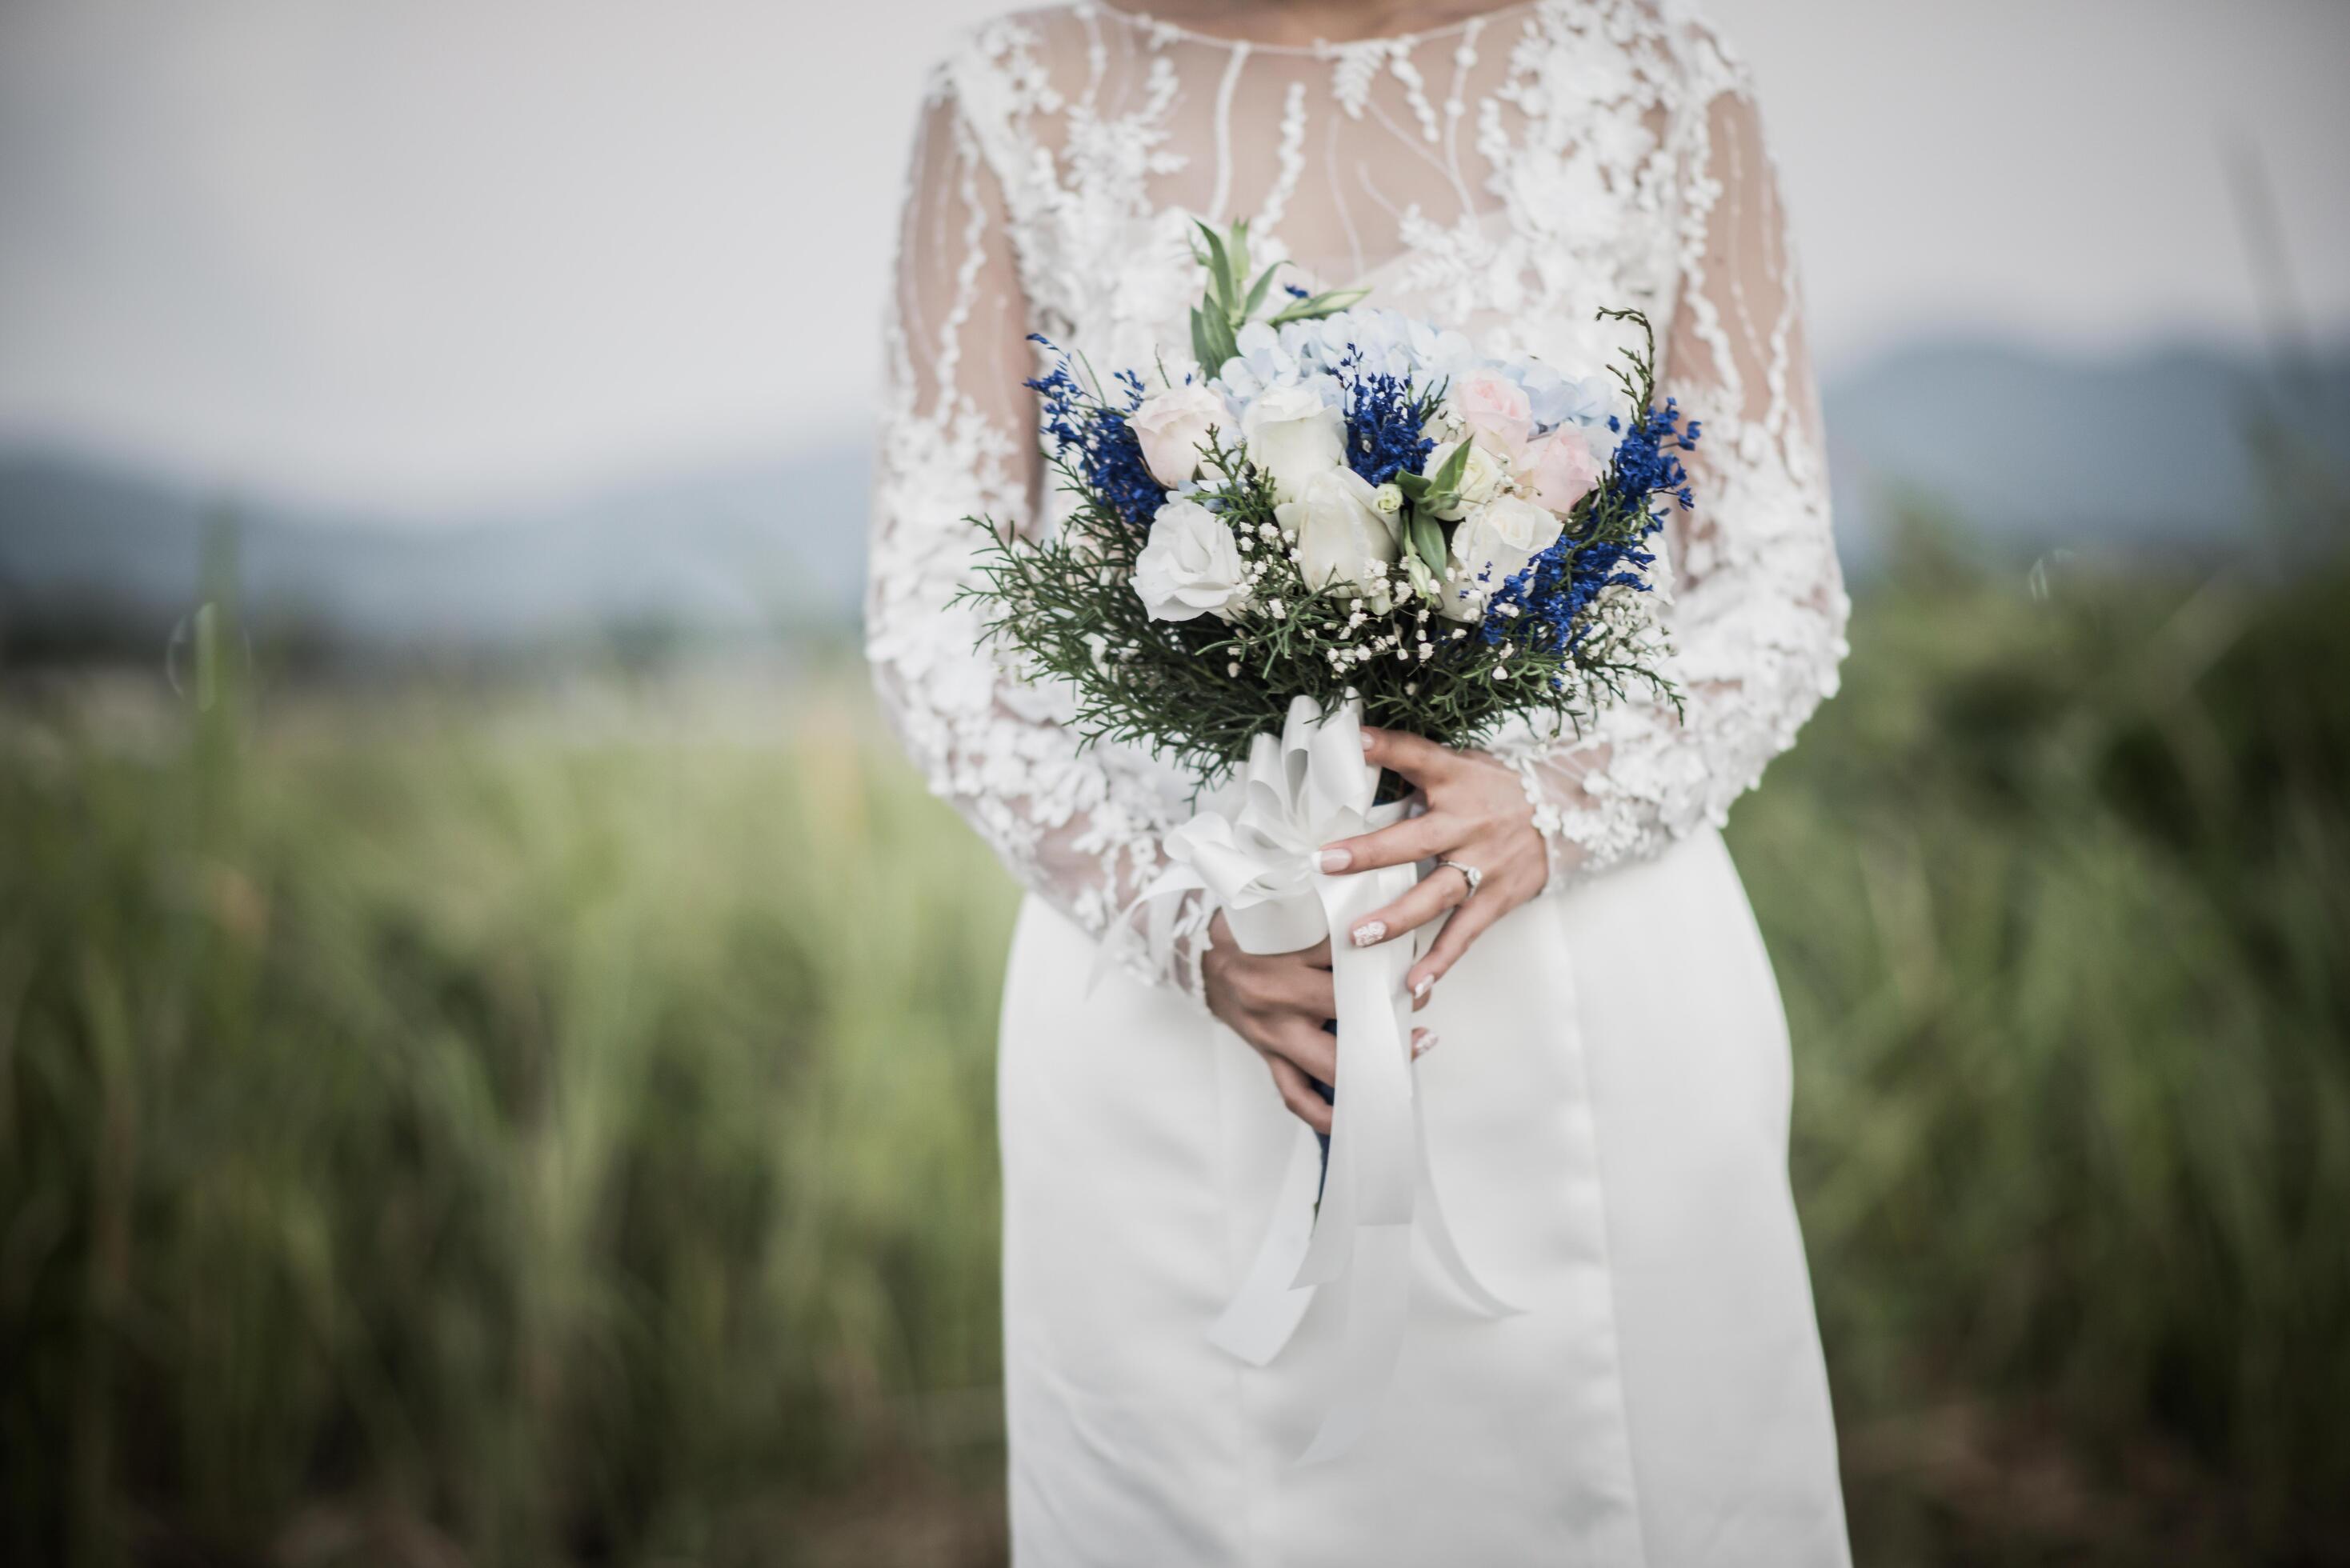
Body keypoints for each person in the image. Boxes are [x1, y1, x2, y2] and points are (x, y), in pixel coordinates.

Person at [867, 2, 1852, 1560]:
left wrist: (1559, 799)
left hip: (1584, 971)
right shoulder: (1010, 92)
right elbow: (934, 595)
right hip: (1170, 1004)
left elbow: (1775, 573)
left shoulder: (1657, 78)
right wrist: (1166, 910)